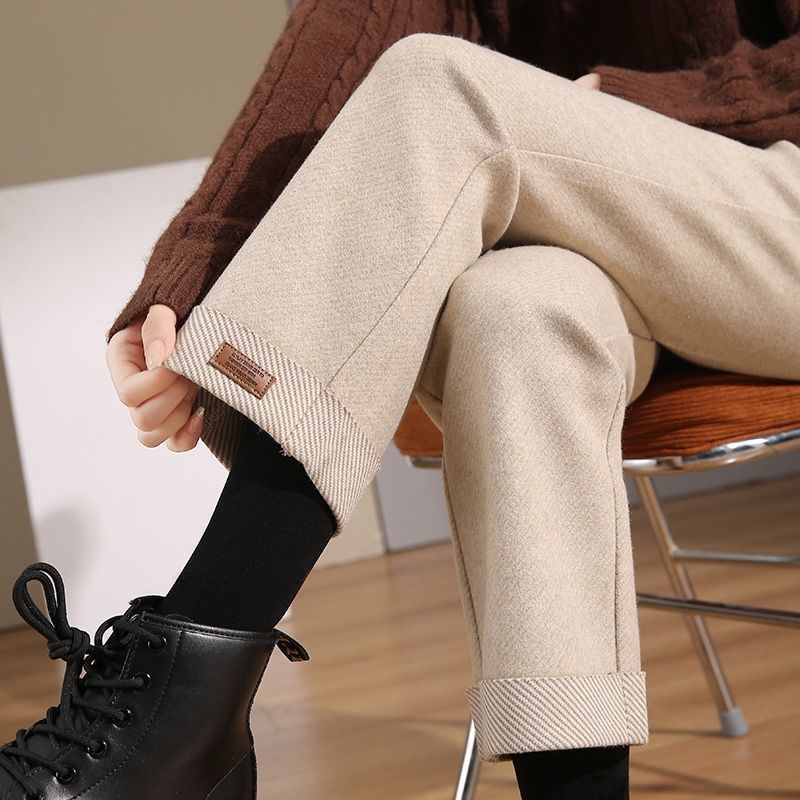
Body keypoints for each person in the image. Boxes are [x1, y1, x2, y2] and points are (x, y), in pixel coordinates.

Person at [2, 2, 798, 799]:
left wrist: (645, 101)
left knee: (437, 87)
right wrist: (186, 281)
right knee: (511, 313)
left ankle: (178, 724)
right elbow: (346, 31)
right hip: (613, 220)